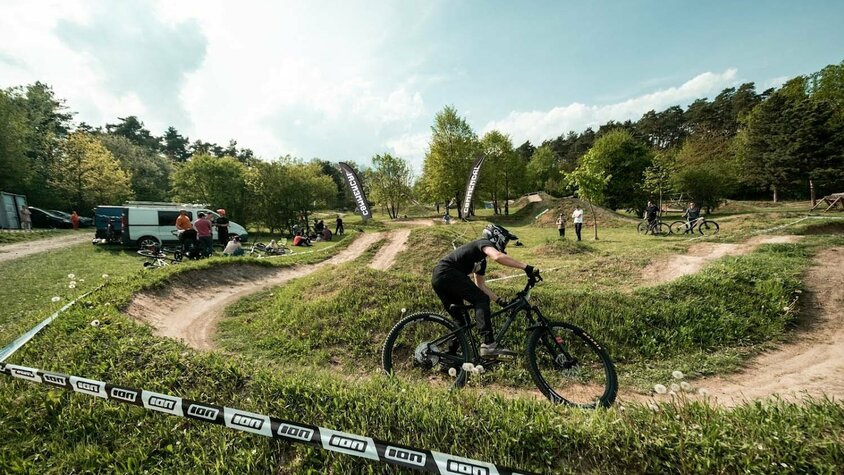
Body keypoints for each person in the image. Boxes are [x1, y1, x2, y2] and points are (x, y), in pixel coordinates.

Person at [432, 224, 539, 357]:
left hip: (441, 278)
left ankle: (449, 356)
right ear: (496, 237)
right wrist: (526, 267)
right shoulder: (484, 243)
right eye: (505, 240)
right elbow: (497, 256)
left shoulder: (481, 262)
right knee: (481, 299)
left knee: (461, 323)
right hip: (446, 273)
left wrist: (500, 301)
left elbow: (481, 286)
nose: (505, 244)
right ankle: (488, 344)